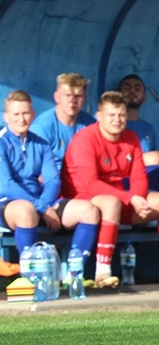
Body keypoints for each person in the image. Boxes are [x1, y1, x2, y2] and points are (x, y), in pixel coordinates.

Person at [0, 91, 101, 268]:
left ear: (33, 114)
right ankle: (32, 275)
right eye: (16, 114)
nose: (21, 119)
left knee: (89, 210)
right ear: (6, 117)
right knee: (26, 211)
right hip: (0, 203)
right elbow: (6, 185)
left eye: (25, 113)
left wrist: (43, 204)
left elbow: (53, 181)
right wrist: (42, 207)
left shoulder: (41, 143)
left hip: (40, 202)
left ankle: (74, 274)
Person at [61, 90, 159, 287]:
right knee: (111, 202)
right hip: (83, 198)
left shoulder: (131, 138)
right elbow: (90, 184)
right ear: (99, 116)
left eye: (121, 115)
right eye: (111, 115)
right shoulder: (85, 138)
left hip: (120, 197)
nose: (117, 120)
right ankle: (103, 272)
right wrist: (130, 198)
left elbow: (139, 178)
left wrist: (138, 198)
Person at [31, 73, 96, 161]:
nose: (72, 100)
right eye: (67, 95)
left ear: (84, 98)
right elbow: (35, 166)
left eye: (77, 96)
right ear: (57, 97)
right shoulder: (41, 128)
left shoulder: (91, 124)